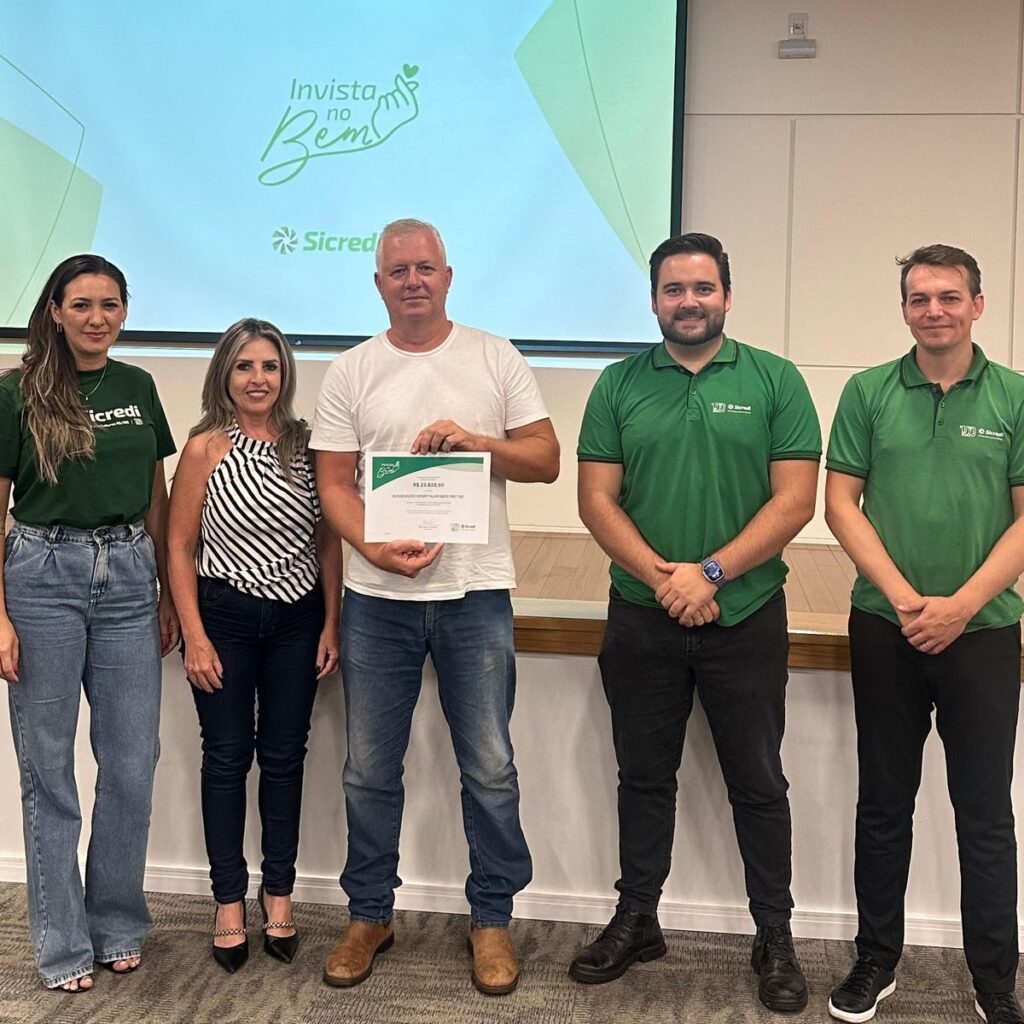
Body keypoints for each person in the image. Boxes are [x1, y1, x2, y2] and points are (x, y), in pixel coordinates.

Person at [571, 232, 820, 1012]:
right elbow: (596, 500)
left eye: (703, 287)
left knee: (759, 783)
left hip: (745, 614)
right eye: (673, 289)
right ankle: (638, 918)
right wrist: (665, 578)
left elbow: (795, 501)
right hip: (642, 617)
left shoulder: (776, 380)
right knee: (643, 778)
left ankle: (774, 936)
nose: (689, 301)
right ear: (654, 300)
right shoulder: (617, 385)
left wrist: (708, 574)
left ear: (727, 296)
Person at [311, 218, 559, 995]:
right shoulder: (351, 370)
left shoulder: (494, 356)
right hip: (376, 599)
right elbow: (333, 485)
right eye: (398, 270)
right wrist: (374, 548)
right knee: (367, 770)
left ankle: (491, 919)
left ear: (448, 276)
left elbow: (546, 460)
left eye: (425, 268)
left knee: (490, 767)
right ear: (378, 283)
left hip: (474, 595)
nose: (412, 280)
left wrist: (476, 441)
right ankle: (369, 913)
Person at [825, 245, 1024, 1024]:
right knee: (883, 803)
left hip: (985, 633)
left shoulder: (1015, 397)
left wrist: (961, 606)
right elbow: (840, 504)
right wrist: (909, 600)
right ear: (904, 308)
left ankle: (995, 979)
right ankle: (875, 961)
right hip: (886, 626)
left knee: (986, 814)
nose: (933, 310)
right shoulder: (868, 392)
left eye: (949, 296)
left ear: (978, 304)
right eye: (919, 298)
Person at [0, 254, 179, 992]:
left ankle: (116, 923)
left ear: (125, 311)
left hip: (130, 576)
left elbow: (157, 494)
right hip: (42, 578)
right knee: (49, 772)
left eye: (110, 304)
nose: (97, 318)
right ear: (55, 311)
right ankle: (62, 944)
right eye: (81, 305)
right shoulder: (15, 391)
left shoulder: (138, 386)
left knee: (132, 764)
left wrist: (168, 593)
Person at [167, 318, 341, 972]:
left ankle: (279, 893)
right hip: (225, 621)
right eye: (245, 366)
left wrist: (331, 623)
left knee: (285, 759)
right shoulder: (204, 449)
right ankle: (227, 901)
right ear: (225, 374)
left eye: (269, 366)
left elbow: (328, 542)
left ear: (284, 374)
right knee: (225, 758)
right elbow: (179, 546)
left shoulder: (309, 445)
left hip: (298, 620)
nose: (258, 378)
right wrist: (194, 637)